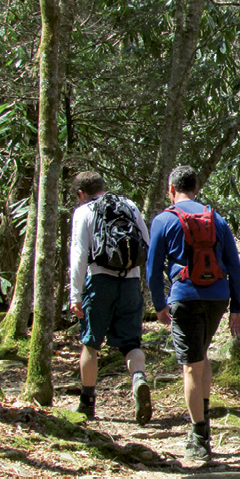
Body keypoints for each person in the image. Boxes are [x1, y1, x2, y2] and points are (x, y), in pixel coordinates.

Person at [146, 165, 240, 462]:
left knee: (190, 365)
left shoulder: (163, 220)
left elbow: (153, 269)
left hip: (185, 296)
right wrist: (237, 308)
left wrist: (159, 304)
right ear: (196, 189)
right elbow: (235, 266)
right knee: (200, 356)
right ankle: (204, 422)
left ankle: (198, 435)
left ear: (171, 188)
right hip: (217, 297)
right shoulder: (217, 219)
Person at [69, 171, 152, 425]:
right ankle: (138, 378)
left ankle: (87, 403)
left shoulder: (84, 211)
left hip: (99, 281)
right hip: (129, 281)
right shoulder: (128, 205)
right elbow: (146, 243)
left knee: (91, 344)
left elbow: (79, 253)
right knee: (132, 343)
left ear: (81, 193)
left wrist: (75, 294)